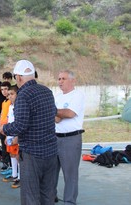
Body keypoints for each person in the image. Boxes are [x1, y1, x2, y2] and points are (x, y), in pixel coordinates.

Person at [0, 60, 58, 205]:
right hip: (51, 153)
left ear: (18, 77)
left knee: (30, 196)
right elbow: (53, 115)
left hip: (32, 155)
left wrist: (0, 128)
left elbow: (20, 126)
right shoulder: (47, 91)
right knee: (48, 194)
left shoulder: (23, 95)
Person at [54, 70, 85, 204]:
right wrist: (60, 113)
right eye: (59, 79)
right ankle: (50, 197)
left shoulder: (78, 95)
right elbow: (57, 119)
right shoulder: (57, 97)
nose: (60, 81)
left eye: (63, 79)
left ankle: (69, 202)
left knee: (70, 174)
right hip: (55, 138)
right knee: (51, 172)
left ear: (73, 80)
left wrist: (55, 111)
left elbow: (70, 113)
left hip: (71, 139)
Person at [2, 85, 20, 189]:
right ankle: (14, 175)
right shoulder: (10, 106)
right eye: (9, 94)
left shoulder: (19, 107)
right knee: (12, 155)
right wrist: (7, 136)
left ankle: (21, 178)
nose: (10, 96)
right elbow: (9, 121)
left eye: (12, 94)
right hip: (10, 135)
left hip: (17, 136)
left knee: (18, 157)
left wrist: (16, 136)